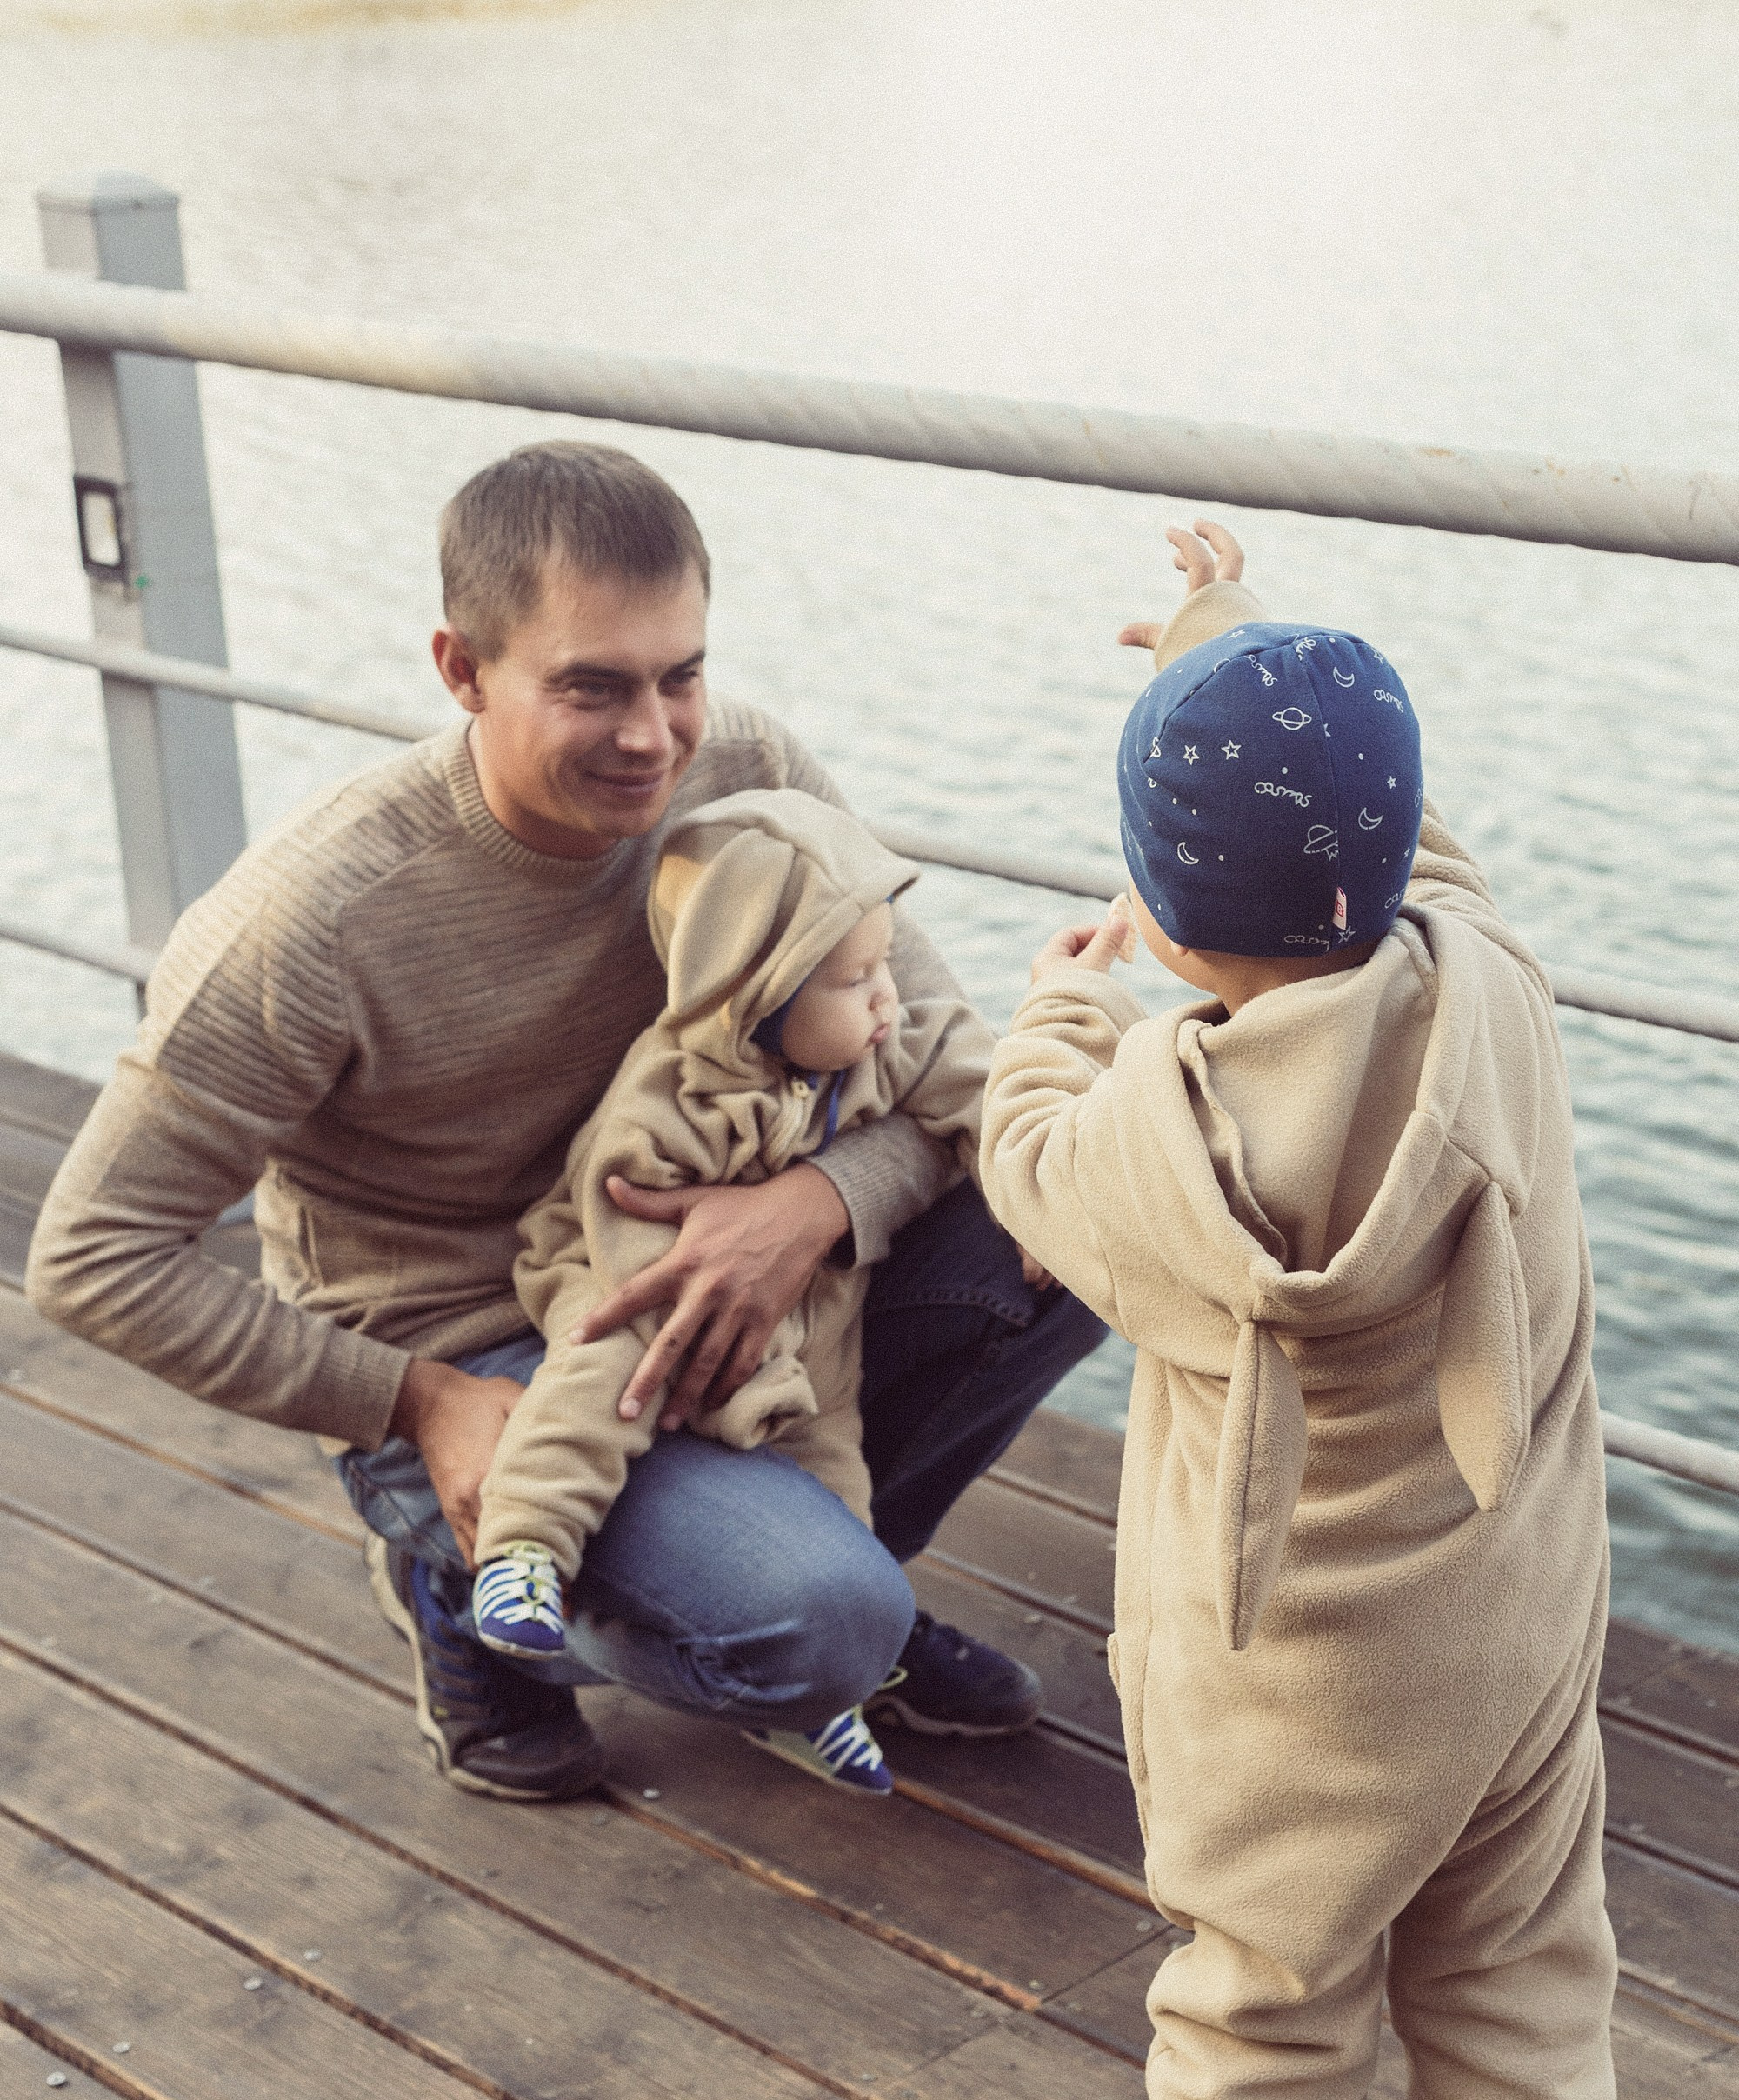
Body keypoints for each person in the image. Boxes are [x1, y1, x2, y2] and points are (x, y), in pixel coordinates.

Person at [26, 440, 1104, 1804]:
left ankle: (841, 1590)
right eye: (592, 686)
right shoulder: (311, 925)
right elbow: (94, 1256)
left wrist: (815, 1206)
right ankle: (480, 1594)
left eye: (681, 675)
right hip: (475, 1351)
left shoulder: (752, 777)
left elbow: (943, 1053)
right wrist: (417, 1403)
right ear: (462, 670)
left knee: (1071, 1209)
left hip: (736, 1274)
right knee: (812, 1624)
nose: (655, 737)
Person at [978, 520, 1622, 2100]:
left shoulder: (1145, 1141)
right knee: (1514, 1976)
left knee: (1254, 1993)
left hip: (1266, 1682)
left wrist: (1059, 1009)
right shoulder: (1492, 1001)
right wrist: (1222, 624)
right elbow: (1416, 851)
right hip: (1497, 1647)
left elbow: (1017, 1157)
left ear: (1165, 919)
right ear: (1394, 849)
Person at [471, 785, 987, 1799]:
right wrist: (718, 1369)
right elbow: (620, 1215)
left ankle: (814, 1696)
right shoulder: (674, 1093)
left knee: (835, 1487)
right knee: (597, 1384)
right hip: (643, 1294)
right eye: (853, 978)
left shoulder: (878, 1046)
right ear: (759, 995)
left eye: (882, 965)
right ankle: (521, 1546)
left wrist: (1022, 1172)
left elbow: (979, 1078)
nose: (886, 995)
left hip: (804, 1333)